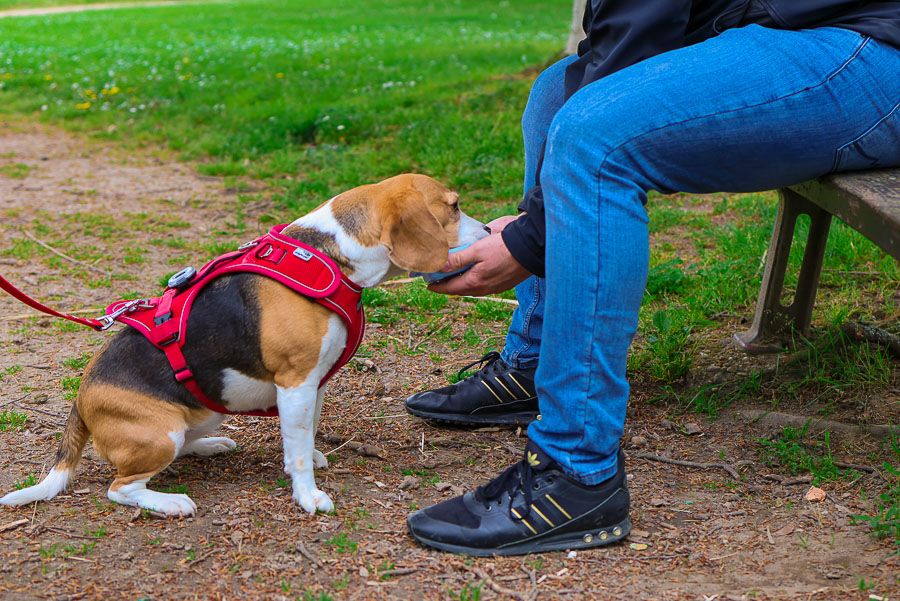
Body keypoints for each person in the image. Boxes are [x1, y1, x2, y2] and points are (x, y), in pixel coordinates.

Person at [405, 0, 900, 556]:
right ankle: (538, 361)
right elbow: (622, 32)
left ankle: (576, 473)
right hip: (799, 24)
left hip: (875, 49)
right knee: (555, 94)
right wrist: (535, 228)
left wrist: (527, 239)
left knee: (593, 135)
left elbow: (641, 18)